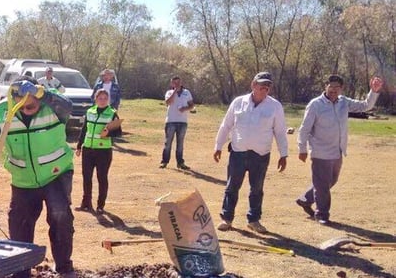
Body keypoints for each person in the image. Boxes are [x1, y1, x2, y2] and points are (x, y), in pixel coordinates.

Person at [0, 76, 77, 278]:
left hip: (55, 174)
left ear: (39, 94)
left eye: (31, 100)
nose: (26, 105)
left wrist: (44, 94)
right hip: (23, 179)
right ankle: (20, 276)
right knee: (19, 223)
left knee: (60, 216)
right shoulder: (5, 110)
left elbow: (68, 107)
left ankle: (64, 268)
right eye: (21, 99)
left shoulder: (53, 105)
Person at [296, 74, 384, 225]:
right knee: (323, 184)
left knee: (331, 180)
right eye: (331, 86)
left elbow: (365, 106)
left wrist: (374, 91)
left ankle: (306, 199)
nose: (333, 90)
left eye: (337, 87)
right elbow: (304, 129)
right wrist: (302, 148)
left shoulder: (344, 102)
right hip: (320, 151)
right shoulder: (315, 104)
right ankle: (322, 214)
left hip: (337, 151)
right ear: (325, 86)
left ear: (341, 89)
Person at [213, 71, 288, 234]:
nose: (264, 89)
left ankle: (254, 220)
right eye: (261, 86)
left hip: (260, 155)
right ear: (253, 85)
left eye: (267, 87)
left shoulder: (275, 106)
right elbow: (226, 125)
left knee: (257, 189)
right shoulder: (238, 103)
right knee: (232, 186)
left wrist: (284, 154)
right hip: (238, 153)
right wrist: (218, 146)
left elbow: (280, 131)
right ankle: (227, 218)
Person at [75, 88, 120, 213]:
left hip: (103, 151)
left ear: (108, 100)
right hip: (88, 149)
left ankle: (100, 205)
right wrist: (79, 146)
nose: (102, 101)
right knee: (86, 177)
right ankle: (86, 203)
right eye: (100, 98)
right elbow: (84, 130)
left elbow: (118, 131)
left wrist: (109, 133)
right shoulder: (90, 111)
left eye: (105, 98)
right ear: (95, 99)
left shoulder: (112, 113)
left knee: (102, 177)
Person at [160, 76, 195, 170]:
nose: (176, 84)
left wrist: (185, 108)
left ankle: (180, 163)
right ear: (171, 84)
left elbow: (192, 105)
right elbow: (168, 102)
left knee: (180, 144)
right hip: (171, 121)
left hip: (183, 122)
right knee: (168, 143)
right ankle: (164, 161)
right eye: (174, 83)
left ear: (181, 83)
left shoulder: (187, 93)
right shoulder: (169, 92)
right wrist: (175, 91)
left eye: (178, 82)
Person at [90, 68, 122, 137]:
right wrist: (94, 106)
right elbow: (93, 97)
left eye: (108, 75)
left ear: (111, 76)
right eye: (104, 75)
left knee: (112, 122)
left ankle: (111, 136)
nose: (106, 77)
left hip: (111, 106)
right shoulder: (98, 86)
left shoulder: (115, 86)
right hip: (99, 106)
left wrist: (116, 108)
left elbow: (118, 98)